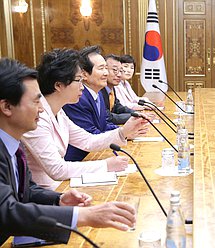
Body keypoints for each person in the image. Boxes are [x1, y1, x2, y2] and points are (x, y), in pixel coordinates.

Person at [0, 58, 136, 245]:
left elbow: (27, 189)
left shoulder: (12, 145)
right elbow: (7, 211)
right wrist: (82, 215)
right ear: (6, 107)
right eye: (35, 101)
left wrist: (59, 200)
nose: (41, 109)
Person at [21, 48, 145, 190]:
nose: (82, 87)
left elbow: (87, 140)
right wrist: (105, 165)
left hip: (63, 185)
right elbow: (57, 169)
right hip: (45, 193)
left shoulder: (59, 112)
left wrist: (123, 132)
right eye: (79, 80)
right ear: (59, 85)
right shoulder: (37, 117)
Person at [63, 46, 148, 161]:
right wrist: (123, 134)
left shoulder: (97, 94)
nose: (106, 73)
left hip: (94, 155)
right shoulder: (78, 99)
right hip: (81, 160)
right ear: (84, 74)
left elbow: (105, 124)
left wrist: (126, 131)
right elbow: (91, 134)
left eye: (106, 69)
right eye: (102, 68)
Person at [100, 54, 134, 125]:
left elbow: (117, 107)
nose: (119, 75)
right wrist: (133, 116)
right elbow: (108, 117)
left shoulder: (112, 88)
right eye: (115, 70)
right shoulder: (99, 90)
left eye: (121, 71)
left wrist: (135, 113)